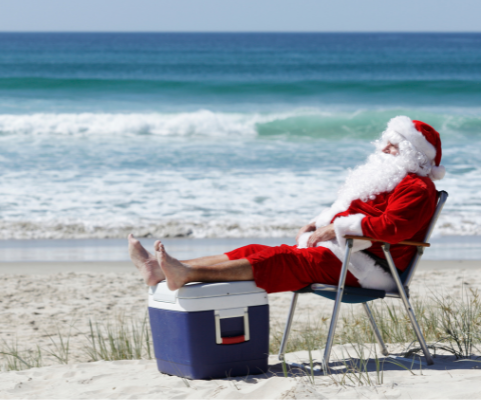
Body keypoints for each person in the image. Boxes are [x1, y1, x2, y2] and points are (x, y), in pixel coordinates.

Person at [128, 116, 445, 293]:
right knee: (255, 249)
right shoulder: (386, 179)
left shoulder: (416, 188)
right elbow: (355, 212)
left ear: (413, 155)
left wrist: (339, 228)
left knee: (280, 259)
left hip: (371, 265)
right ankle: (159, 270)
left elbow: (394, 228)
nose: (384, 148)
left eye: (394, 145)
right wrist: (322, 223)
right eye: (386, 141)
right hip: (348, 251)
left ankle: (186, 273)